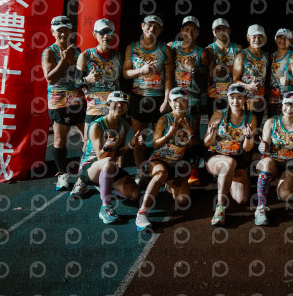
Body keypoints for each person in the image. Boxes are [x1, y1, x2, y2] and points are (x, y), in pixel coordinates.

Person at [71, 91, 142, 224]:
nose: (120, 106)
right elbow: (100, 156)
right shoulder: (96, 126)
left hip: (109, 165)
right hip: (90, 167)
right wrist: (107, 146)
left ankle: (105, 184)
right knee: (108, 162)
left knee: (134, 194)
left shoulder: (124, 124)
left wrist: (132, 145)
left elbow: (119, 152)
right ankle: (105, 206)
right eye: (116, 103)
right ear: (108, 105)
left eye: (124, 104)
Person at [123, 14, 175, 186]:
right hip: (138, 97)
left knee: (161, 139)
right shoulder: (132, 47)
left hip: (159, 98)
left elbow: (169, 77)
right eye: (149, 25)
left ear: (160, 31)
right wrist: (141, 71)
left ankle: (162, 171)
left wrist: (167, 99)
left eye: (156, 27)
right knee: (139, 139)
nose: (152, 29)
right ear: (142, 26)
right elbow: (126, 73)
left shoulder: (165, 49)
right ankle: (141, 171)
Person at [135, 87, 196, 232]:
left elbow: (191, 145)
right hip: (159, 159)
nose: (178, 104)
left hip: (176, 163)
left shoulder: (190, 119)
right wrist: (170, 134)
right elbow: (155, 144)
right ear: (169, 102)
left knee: (182, 200)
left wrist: (190, 133)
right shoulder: (164, 119)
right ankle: (142, 212)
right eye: (175, 101)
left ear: (187, 103)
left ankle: (168, 184)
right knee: (161, 173)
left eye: (182, 101)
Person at [41, 15, 86, 191]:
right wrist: (64, 60)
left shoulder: (77, 50)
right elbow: (50, 79)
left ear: (70, 31)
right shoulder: (49, 52)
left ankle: (85, 174)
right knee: (60, 140)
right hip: (59, 99)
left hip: (77, 98)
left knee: (88, 138)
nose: (62, 33)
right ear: (53, 32)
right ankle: (62, 175)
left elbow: (79, 76)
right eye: (59, 30)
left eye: (65, 30)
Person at [203, 83, 256, 226]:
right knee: (228, 163)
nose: (235, 101)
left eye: (239, 98)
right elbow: (206, 143)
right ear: (227, 98)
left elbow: (247, 149)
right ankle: (220, 208)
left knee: (241, 200)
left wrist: (249, 137)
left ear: (245, 99)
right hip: (216, 156)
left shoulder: (250, 118)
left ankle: (227, 178)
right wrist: (211, 136)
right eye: (232, 98)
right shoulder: (219, 114)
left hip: (238, 158)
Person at [255, 91, 293, 226]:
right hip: (271, 163)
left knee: (286, 195)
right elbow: (264, 146)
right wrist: (262, 146)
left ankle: (279, 182)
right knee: (266, 163)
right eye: (287, 105)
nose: (289, 109)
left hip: (288, 165)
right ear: (282, 105)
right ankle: (260, 208)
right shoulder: (271, 122)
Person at [170, 15, 210, 185]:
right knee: (174, 132)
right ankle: (175, 167)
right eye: (186, 29)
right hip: (175, 99)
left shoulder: (202, 53)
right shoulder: (172, 47)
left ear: (198, 32)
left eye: (193, 30)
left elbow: (203, 82)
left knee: (192, 134)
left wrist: (194, 69)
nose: (189, 32)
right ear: (181, 31)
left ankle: (194, 169)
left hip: (194, 99)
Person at [76, 19, 122, 155]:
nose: (106, 36)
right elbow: (75, 83)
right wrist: (87, 79)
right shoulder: (85, 55)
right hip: (94, 108)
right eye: (102, 32)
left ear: (114, 35)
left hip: (113, 109)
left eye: (109, 32)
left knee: (115, 143)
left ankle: (113, 168)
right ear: (94, 34)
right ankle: (86, 168)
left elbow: (124, 83)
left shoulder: (118, 56)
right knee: (88, 143)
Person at [232, 24, 269, 126]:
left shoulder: (266, 56)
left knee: (256, 130)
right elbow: (235, 80)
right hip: (245, 103)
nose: (257, 39)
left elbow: (266, 80)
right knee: (245, 131)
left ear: (264, 38)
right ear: (248, 37)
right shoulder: (242, 55)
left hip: (259, 103)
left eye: (260, 36)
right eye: (254, 36)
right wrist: (248, 86)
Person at [205, 18, 242, 118]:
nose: (221, 31)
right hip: (214, 94)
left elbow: (242, 71)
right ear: (213, 32)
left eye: (224, 29)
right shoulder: (209, 49)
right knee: (214, 123)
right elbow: (212, 73)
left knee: (232, 122)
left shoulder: (238, 48)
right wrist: (233, 68)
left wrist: (223, 69)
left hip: (234, 95)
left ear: (229, 31)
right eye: (218, 29)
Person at [267, 28, 293, 117]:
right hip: (272, 99)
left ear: (291, 41)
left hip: (285, 101)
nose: (282, 40)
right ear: (275, 38)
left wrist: (288, 82)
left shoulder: (292, 57)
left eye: (286, 38)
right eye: (280, 37)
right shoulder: (272, 55)